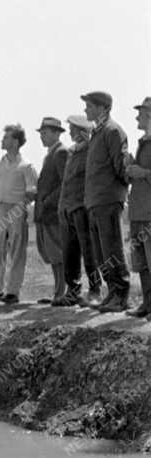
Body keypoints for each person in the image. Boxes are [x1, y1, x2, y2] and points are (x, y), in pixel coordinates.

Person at [0, 124, 38, 305]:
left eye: (6, 137)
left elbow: (32, 192)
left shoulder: (26, 166)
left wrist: (19, 210)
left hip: (17, 210)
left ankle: (12, 292)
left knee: (17, 251)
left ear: (16, 141)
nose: (2, 140)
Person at [81, 91, 130, 312]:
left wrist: (118, 194)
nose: (85, 110)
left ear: (102, 108)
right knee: (102, 252)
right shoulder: (97, 133)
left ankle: (120, 295)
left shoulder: (112, 131)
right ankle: (112, 293)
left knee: (112, 249)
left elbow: (121, 168)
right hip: (95, 201)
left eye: (89, 106)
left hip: (108, 200)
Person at [58, 114, 101, 306]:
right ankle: (73, 291)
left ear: (82, 131)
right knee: (69, 251)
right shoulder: (73, 152)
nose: (70, 131)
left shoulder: (91, 151)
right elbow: (66, 182)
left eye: (73, 128)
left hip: (82, 208)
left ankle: (95, 290)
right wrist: (62, 206)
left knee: (88, 250)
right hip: (68, 208)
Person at [34, 117, 69, 304]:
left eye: (45, 133)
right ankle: (58, 291)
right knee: (51, 254)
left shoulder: (61, 153)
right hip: (45, 214)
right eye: (41, 133)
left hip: (54, 213)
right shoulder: (51, 154)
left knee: (58, 253)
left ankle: (61, 292)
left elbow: (65, 182)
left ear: (56, 133)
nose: (42, 137)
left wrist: (49, 200)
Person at [124, 96, 151, 318]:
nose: (136, 117)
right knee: (141, 261)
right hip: (138, 210)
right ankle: (146, 304)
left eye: (140, 113)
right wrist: (132, 168)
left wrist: (143, 173)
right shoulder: (143, 142)